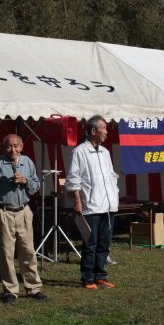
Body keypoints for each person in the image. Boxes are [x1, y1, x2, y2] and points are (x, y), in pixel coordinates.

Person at [0, 134, 46, 304]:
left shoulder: (27, 162)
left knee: (28, 251)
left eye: (16, 146)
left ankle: (33, 288)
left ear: (22, 146)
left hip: (24, 212)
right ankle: (10, 290)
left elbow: (35, 188)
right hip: (4, 213)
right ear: (4, 148)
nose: (13, 150)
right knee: (6, 254)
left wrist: (25, 180)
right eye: (9, 147)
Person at [66, 115, 119, 290]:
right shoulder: (80, 151)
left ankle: (100, 275)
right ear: (93, 130)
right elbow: (73, 179)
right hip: (91, 205)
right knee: (90, 243)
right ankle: (87, 278)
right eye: (104, 128)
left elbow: (110, 174)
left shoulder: (105, 152)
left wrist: (115, 190)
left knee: (104, 243)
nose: (106, 132)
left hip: (109, 205)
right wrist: (77, 201)